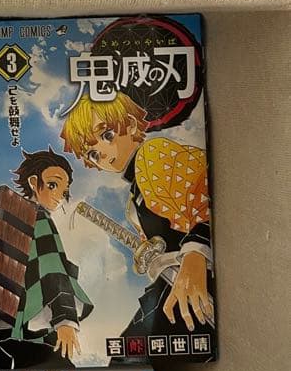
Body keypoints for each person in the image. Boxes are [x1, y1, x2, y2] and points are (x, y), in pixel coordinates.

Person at [60, 90, 214, 343]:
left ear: (131, 124)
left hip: (195, 278)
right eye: (93, 154)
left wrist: (195, 256)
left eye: (106, 135)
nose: (103, 154)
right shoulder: (135, 195)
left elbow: (202, 192)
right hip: (177, 282)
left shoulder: (152, 154)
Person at [0, 148, 92, 369]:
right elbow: (52, 268)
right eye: (53, 185)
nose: (59, 196)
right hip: (24, 330)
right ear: (33, 182)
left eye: (65, 191)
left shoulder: (1, 208)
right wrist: (64, 319)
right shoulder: (38, 217)